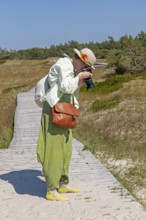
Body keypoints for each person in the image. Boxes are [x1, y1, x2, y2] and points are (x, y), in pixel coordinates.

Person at [36, 48, 96, 201]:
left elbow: (70, 91)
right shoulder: (64, 64)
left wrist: (80, 81)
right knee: (54, 149)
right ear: (80, 60)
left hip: (66, 110)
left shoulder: (73, 70)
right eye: (85, 66)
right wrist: (79, 77)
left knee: (66, 148)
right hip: (54, 110)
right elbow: (65, 87)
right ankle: (51, 189)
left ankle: (63, 183)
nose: (84, 69)